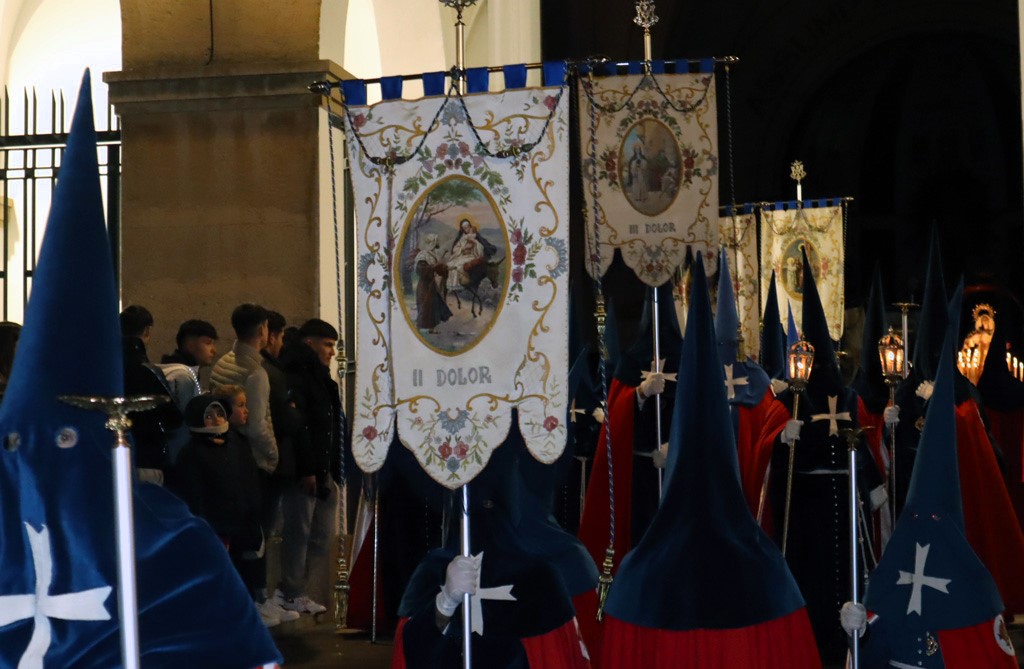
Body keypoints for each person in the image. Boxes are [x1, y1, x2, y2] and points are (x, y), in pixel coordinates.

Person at [598, 252, 821, 668]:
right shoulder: (770, 575)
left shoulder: (635, 580)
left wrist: (778, 434)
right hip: (649, 479)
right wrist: (640, 397)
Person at [839, 284, 1017, 668]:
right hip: (910, 496)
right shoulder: (904, 393)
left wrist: (947, 411)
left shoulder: (975, 589)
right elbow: (874, 648)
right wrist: (860, 630)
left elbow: (988, 459)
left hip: (952, 502)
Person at [391, 428, 595, 669]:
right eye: (480, 504)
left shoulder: (539, 580)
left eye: (490, 504)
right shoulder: (433, 572)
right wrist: (443, 605)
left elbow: (555, 659)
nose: (484, 515)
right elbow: (412, 654)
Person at [173, 390, 298, 629]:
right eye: (209, 415)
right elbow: (194, 494)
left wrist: (254, 512)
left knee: (249, 567)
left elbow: (250, 480)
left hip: (243, 521)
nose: (217, 419)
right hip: (216, 525)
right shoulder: (191, 453)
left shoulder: (236, 444)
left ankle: (253, 605)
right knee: (222, 572)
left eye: (220, 413)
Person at [274, 318, 344, 615]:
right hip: (305, 471)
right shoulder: (295, 377)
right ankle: (291, 590)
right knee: (299, 532)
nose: (332, 352)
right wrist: (308, 469)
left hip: (324, 469)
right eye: (327, 345)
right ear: (309, 343)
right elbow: (300, 428)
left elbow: (331, 425)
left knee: (321, 534)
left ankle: (299, 589)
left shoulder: (323, 380)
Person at [210, 303, 278, 475]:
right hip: (251, 460)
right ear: (262, 330)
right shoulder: (256, 373)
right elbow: (257, 426)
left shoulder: (222, 362)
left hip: (224, 450)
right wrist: (273, 454)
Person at [120, 304, 181, 485]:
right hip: (147, 456)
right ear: (147, 331)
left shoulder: (107, 368)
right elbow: (173, 418)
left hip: (113, 454)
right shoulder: (147, 370)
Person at [157, 318, 219, 465]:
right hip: (178, 454)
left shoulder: (178, 370)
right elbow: (187, 422)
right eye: (208, 343)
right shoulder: (182, 376)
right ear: (190, 344)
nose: (214, 350)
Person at [415, 233, 452, 332]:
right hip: (424, 286)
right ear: (432, 243)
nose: (438, 243)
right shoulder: (423, 255)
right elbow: (420, 269)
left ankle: (432, 328)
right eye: (436, 241)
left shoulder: (433, 254)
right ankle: (419, 327)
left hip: (432, 285)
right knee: (425, 306)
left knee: (434, 306)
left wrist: (443, 269)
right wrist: (433, 267)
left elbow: (438, 269)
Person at [446, 217, 497, 290]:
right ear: (462, 229)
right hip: (462, 256)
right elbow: (455, 249)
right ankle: (453, 285)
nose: (466, 229)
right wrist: (463, 248)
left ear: (470, 226)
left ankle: (462, 283)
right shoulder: (462, 238)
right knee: (450, 265)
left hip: (472, 256)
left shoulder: (475, 236)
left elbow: (481, 247)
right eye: (464, 228)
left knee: (458, 266)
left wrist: (475, 243)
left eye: (468, 227)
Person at [626, 136, 648, 202]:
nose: (637, 150)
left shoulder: (642, 157)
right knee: (636, 184)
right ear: (634, 150)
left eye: (638, 149)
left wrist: (641, 164)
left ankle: (643, 197)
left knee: (642, 184)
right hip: (635, 173)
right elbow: (631, 166)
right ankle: (637, 197)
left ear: (640, 150)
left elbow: (645, 164)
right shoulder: (632, 158)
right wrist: (635, 165)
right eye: (636, 149)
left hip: (641, 172)